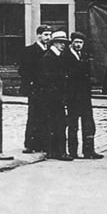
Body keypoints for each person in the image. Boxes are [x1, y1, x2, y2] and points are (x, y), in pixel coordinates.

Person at [64, 32, 103, 159]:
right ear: (71, 43)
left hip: (85, 97)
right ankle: (73, 151)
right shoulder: (66, 56)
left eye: (80, 42)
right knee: (73, 125)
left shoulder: (84, 56)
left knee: (88, 124)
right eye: (76, 42)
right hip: (72, 97)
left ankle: (89, 151)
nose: (78, 45)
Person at [35, 30, 72, 160]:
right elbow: (47, 80)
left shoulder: (57, 56)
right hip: (53, 98)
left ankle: (54, 151)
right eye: (61, 42)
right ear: (54, 43)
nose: (63, 45)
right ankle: (59, 152)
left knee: (56, 124)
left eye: (64, 43)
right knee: (58, 124)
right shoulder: (49, 58)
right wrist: (59, 96)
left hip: (55, 97)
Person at [18, 24, 52, 153]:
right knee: (34, 116)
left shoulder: (49, 50)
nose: (48, 38)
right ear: (39, 35)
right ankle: (30, 144)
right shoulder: (29, 50)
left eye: (49, 35)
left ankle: (43, 143)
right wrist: (31, 84)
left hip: (47, 89)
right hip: (36, 89)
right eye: (46, 35)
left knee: (46, 115)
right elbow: (23, 70)